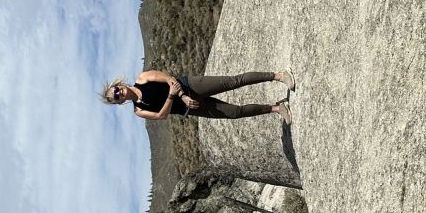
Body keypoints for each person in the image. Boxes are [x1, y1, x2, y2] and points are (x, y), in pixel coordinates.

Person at [101, 70, 295, 124]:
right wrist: (172, 98)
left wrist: (182, 95)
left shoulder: (143, 79)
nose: (119, 93)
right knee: (234, 113)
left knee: (232, 82)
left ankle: (277, 76)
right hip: (191, 108)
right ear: (119, 102)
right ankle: (276, 108)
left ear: (120, 85)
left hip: (190, 86)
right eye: (116, 97)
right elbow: (161, 116)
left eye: (117, 89)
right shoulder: (139, 110)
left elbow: (169, 79)